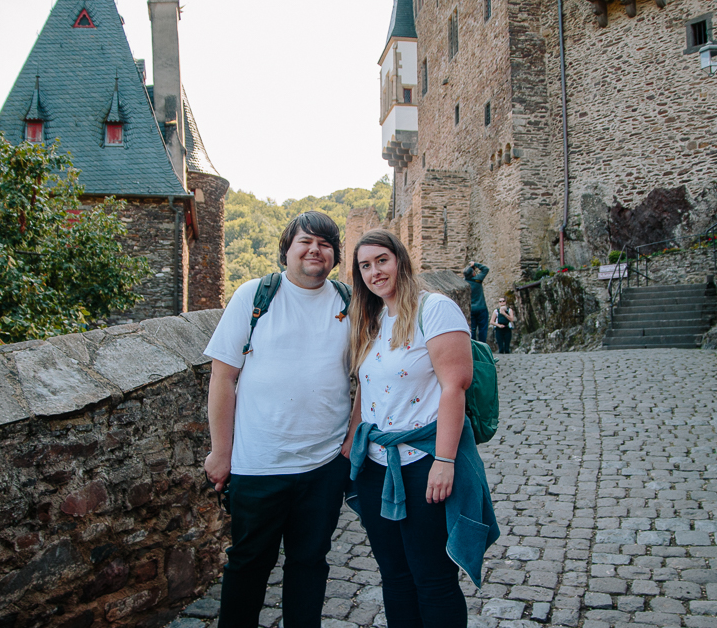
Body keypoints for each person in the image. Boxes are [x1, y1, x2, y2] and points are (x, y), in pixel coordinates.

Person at [203, 211, 354, 628]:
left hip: (324, 465)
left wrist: (350, 441)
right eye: (305, 241)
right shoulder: (254, 296)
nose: (315, 250)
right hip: (259, 463)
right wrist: (221, 452)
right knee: (248, 564)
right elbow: (222, 377)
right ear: (286, 250)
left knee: (309, 563)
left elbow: (373, 373)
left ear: (334, 256)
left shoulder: (350, 303)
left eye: (325, 244)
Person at [346, 229, 499, 628]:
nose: (375, 271)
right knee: (394, 577)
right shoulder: (373, 318)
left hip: (423, 462)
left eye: (382, 260)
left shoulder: (435, 309)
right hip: (377, 465)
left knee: (433, 579)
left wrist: (445, 460)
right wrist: (351, 443)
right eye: (365, 265)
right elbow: (366, 387)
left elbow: (455, 386)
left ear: (400, 259)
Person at [463, 261, 490, 343]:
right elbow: (485, 269)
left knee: (472, 330)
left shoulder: (464, 283)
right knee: (483, 329)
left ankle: (474, 348)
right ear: (473, 274)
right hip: (481, 307)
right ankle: (482, 346)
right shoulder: (478, 280)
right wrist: (475, 264)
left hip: (471, 309)